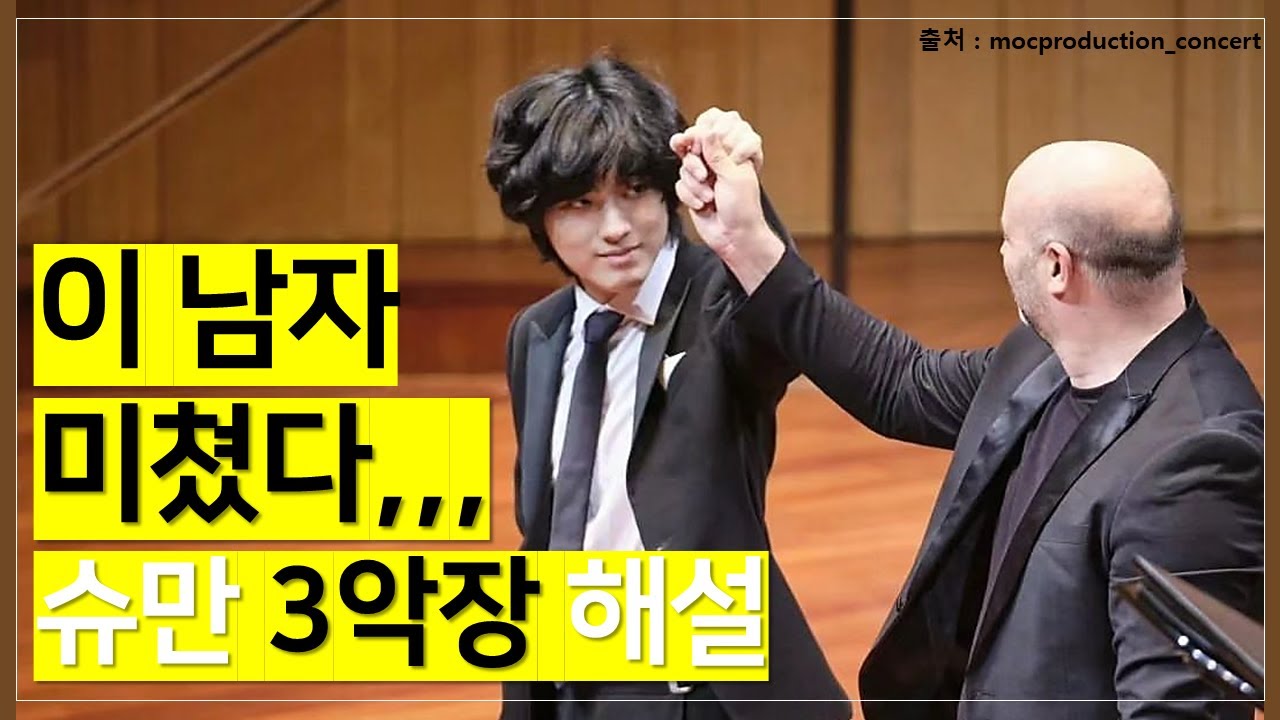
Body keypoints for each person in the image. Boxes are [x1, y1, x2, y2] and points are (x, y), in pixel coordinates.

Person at [671, 110, 1263, 720]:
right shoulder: (1049, 354)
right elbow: (901, 383)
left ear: (1056, 268)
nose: (1002, 253)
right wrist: (745, 242)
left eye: (1007, 239)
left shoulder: (1201, 461)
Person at [485, 57, 851, 720]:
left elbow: (781, 312)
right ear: (538, 217)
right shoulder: (536, 334)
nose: (616, 226)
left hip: (700, 689)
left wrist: (749, 208)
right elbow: (544, 526)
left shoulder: (718, 299)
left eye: (634, 191)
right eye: (581, 204)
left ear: (665, 192)